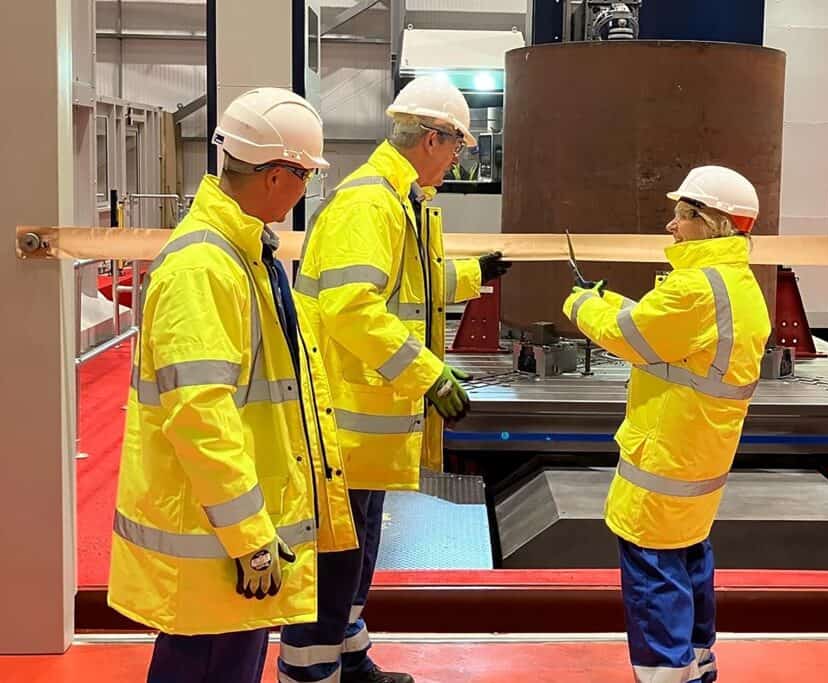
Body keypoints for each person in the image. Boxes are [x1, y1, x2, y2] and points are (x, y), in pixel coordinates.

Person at [108, 87, 357, 683]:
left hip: (226, 532)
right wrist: (249, 538)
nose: (304, 193)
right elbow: (201, 416)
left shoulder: (244, 256)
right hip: (216, 538)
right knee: (207, 665)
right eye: (304, 178)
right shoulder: (205, 269)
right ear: (277, 176)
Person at [279, 75, 511, 683]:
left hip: (370, 420)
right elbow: (354, 307)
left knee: (359, 550)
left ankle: (349, 660)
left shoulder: (402, 199)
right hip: (344, 418)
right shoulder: (370, 204)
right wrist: (428, 376)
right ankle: (310, 672)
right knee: (336, 555)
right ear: (431, 139)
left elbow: (411, 288)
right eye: (458, 145)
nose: (460, 158)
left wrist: (472, 274)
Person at [562, 166, 771, 683]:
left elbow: (631, 337)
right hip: (700, 457)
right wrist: (613, 301)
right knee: (689, 558)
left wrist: (582, 303)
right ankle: (697, 666)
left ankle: (664, 673)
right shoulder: (734, 283)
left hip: (664, 455)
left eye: (681, 214)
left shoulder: (695, 287)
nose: (671, 226)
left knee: (653, 569)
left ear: (712, 223)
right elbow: (665, 333)